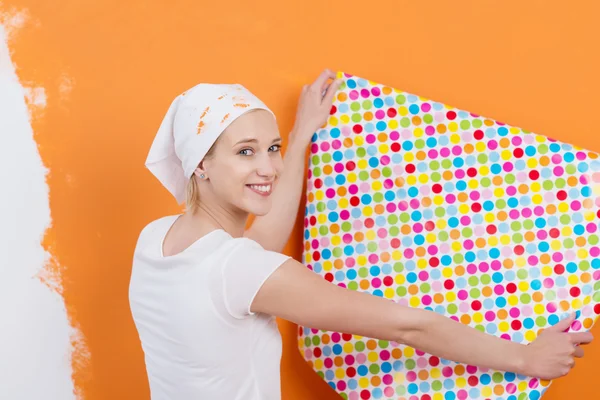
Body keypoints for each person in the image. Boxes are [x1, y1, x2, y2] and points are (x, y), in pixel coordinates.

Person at [129, 69, 593, 400]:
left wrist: (303, 133)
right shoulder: (241, 271)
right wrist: (524, 359)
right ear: (201, 165)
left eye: (272, 149)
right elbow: (406, 324)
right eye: (245, 152)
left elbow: (261, 239)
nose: (268, 167)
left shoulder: (156, 239)